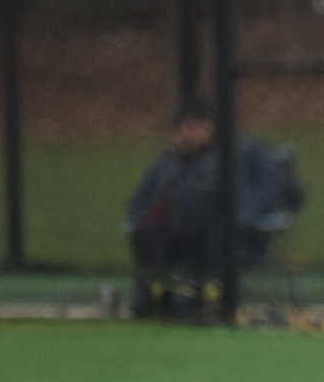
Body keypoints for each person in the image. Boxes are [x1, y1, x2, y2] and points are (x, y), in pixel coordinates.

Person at [125, 98, 301, 318]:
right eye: (181, 128)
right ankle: (157, 295)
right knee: (146, 234)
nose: (185, 134)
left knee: (207, 236)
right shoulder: (171, 162)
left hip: (230, 237)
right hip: (174, 236)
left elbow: (270, 189)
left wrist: (243, 219)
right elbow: (140, 203)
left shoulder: (243, 151)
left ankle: (192, 294)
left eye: (192, 126)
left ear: (209, 126)